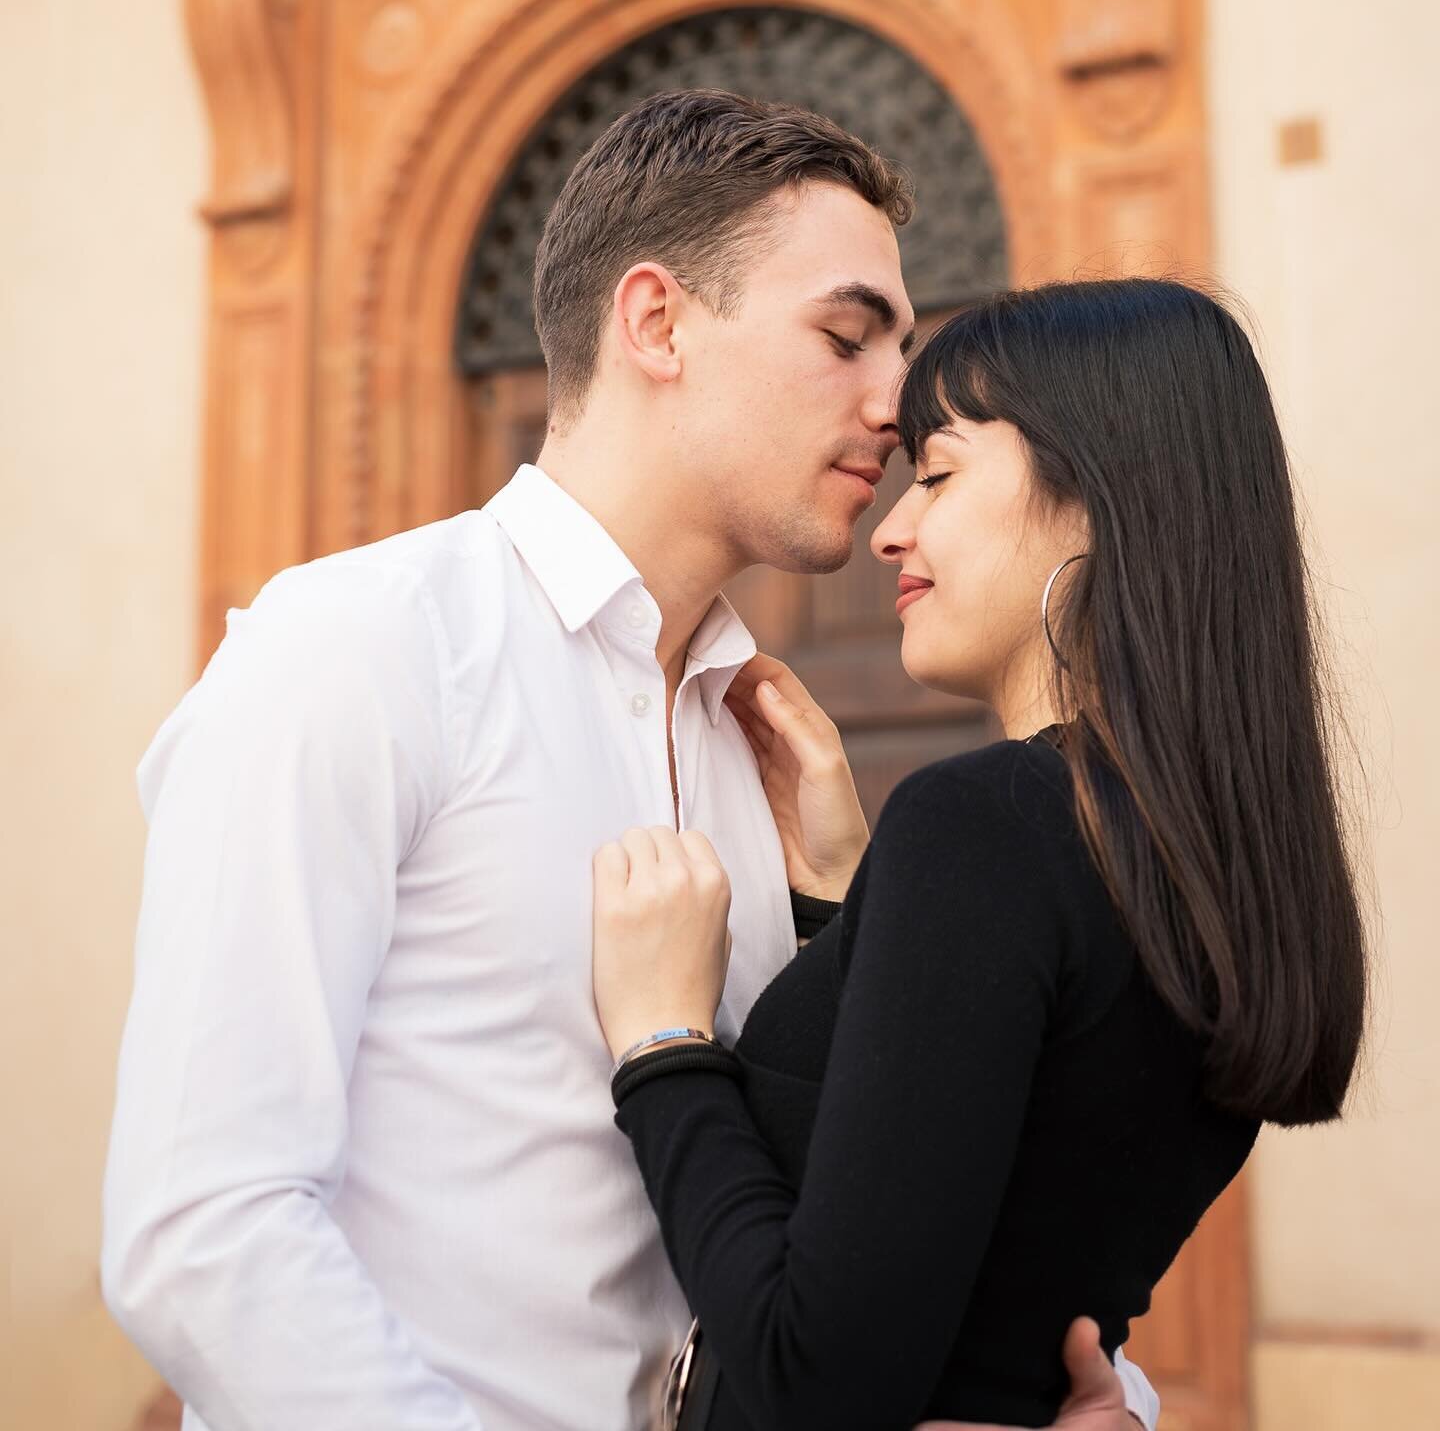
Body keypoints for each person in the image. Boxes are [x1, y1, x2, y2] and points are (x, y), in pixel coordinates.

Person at [102, 91, 1159, 1430]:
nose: (897, 407)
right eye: (845, 337)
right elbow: (204, 1230)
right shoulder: (358, 651)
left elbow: (852, 1226)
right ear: (656, 322)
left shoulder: (768, 752)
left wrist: (1095, 1400)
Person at [592, 277, 1369, 1430]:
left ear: (1099, 498)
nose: (892, 527)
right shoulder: (1207, 869)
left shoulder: (990, 827)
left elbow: (818, 1377)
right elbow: (993, 1185)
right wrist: (851, 915)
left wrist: (663, 1045)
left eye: (941, 475)